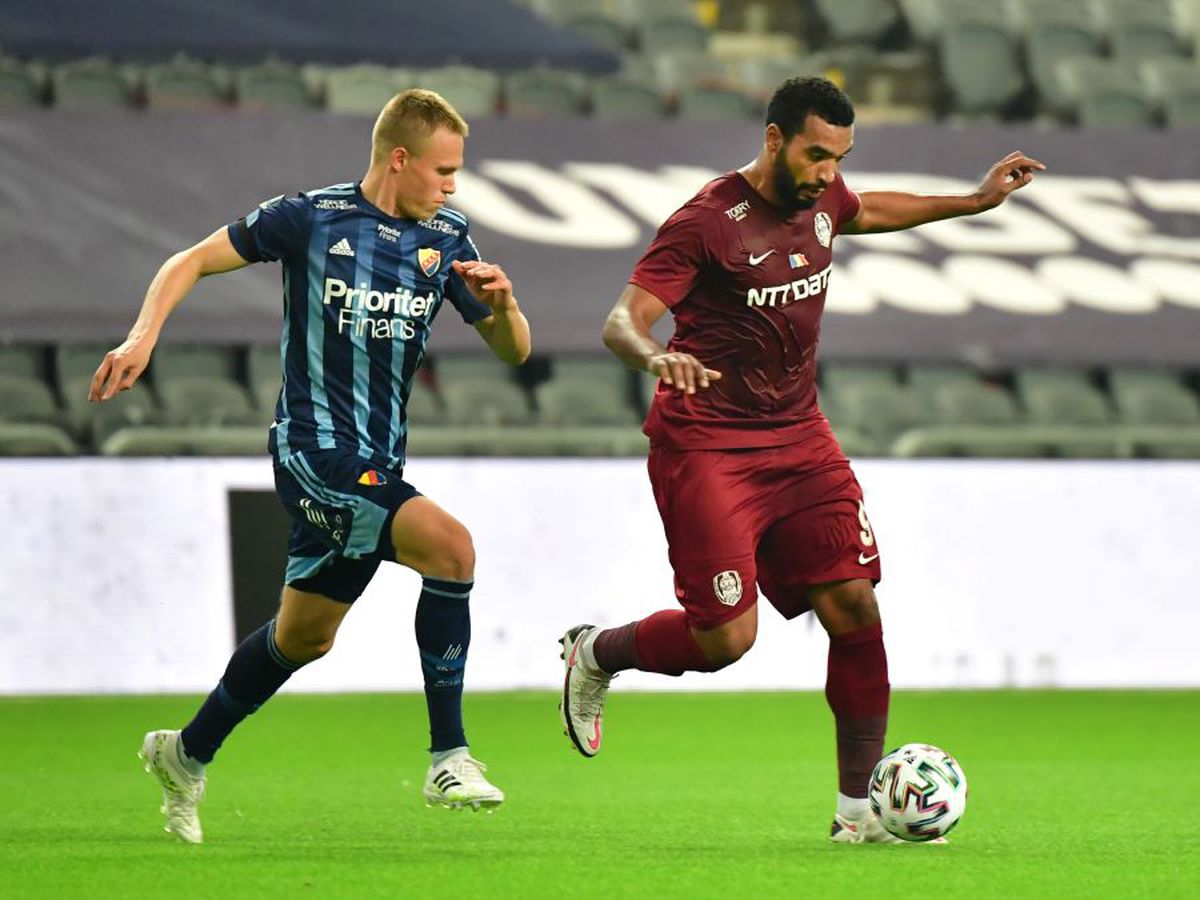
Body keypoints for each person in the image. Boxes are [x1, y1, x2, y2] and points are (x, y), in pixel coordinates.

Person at [558, 77, 1042, 843]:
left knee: (855, 606)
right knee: (726, 641)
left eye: (839, 158)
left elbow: (868, 208)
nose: (827, 173)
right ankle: (597, 651)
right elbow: (623, 320)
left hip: (799, 437)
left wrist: (973, 203)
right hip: (707, 443)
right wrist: (654, 356)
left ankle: (859, 815)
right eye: (817, 154)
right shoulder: (707, 222)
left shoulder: (825, 196)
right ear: (775, 137)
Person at [90, 89, 531, 843]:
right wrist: (141, 339)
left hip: (379, 460)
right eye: (443, 170)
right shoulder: (311, 217)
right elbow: (191, 260)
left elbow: (513, 351)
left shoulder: (449, 236)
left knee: (304, 639)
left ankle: (184, 753)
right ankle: (448, 755)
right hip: (312, 452)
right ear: (399, 159)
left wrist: (505, 304)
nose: (453, 186)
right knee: (451, 548)